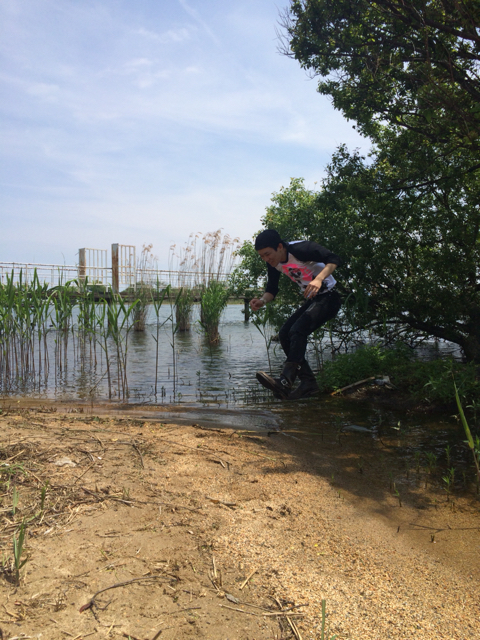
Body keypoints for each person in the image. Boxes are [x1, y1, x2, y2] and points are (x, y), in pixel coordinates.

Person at [250, 229, 342, 400]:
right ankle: (308, 383)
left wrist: (318, 279)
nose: (266, 259)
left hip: (330, 298)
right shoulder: (273, 263)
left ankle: (285, 381)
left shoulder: (300, 249)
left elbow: (333, 258)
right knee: (285, 334)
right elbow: (272, 289)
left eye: (267, 254)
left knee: (297, 330)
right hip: (314, 300)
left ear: (279, 247)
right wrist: (262, 301)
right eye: (261, 256)